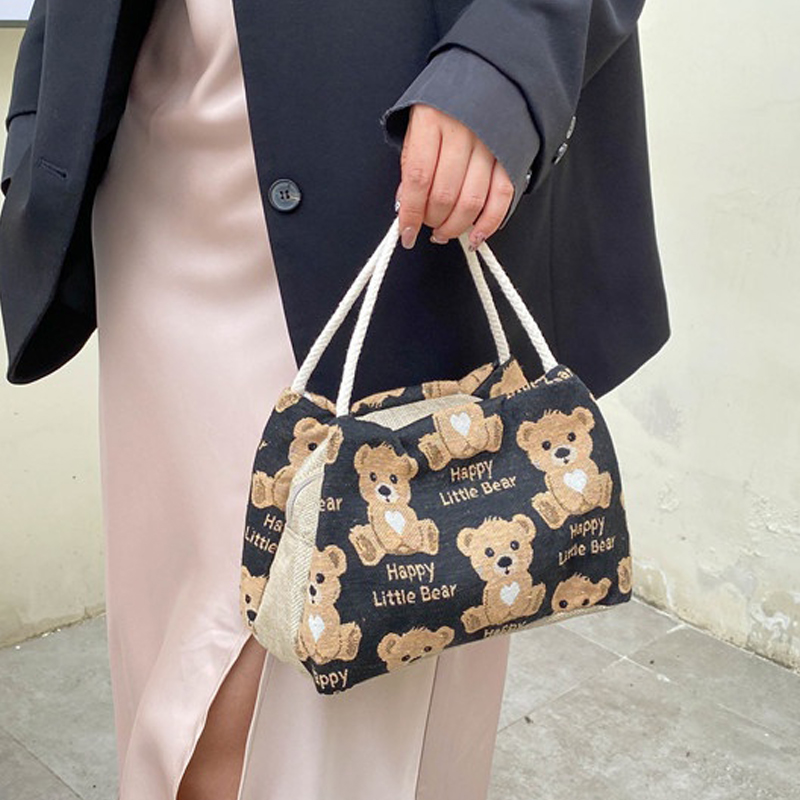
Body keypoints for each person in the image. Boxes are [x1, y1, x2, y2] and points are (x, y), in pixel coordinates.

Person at [0, 1, 670, 799]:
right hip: (156, 169)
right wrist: (36, 116)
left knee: (325, 688)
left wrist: (505, 59)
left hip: (403, 150)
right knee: (168, 653)